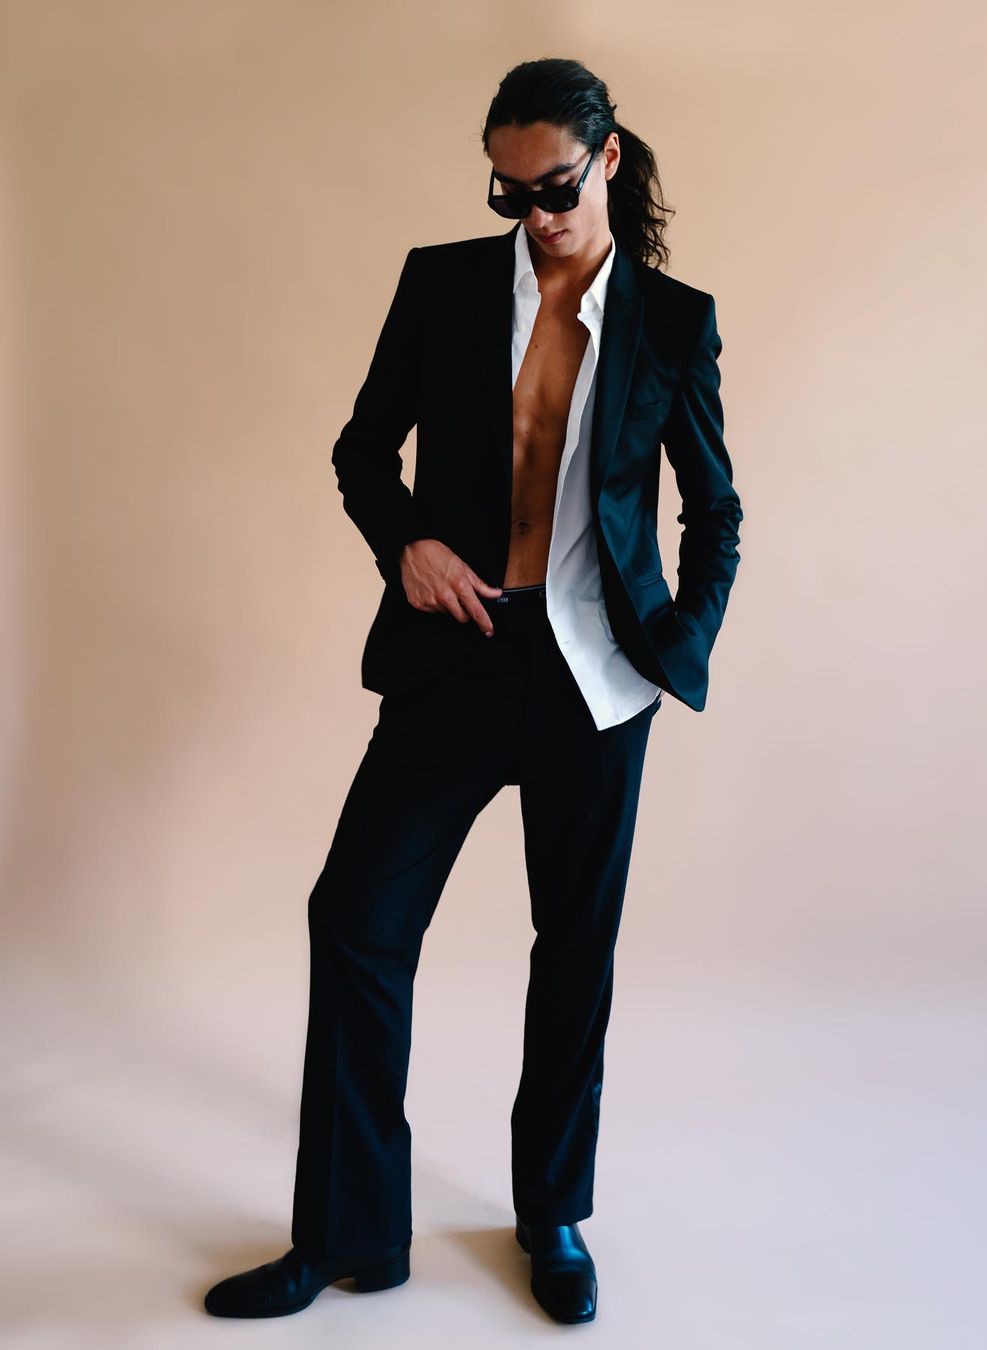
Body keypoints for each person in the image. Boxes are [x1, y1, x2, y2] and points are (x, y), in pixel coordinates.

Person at [203, 57, 743, 1325]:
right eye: (508, 192)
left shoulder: (673, 322)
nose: (533, 214)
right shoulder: (442, 285)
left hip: (595, 677)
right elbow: (361, 450)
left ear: (607, 160)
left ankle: (551, 1214)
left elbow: (716, 510)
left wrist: (680, 640)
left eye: (553, 187)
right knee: (356, 918)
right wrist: (407, 544)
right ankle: (351, 1236)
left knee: (575, 954)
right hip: (456, 655)